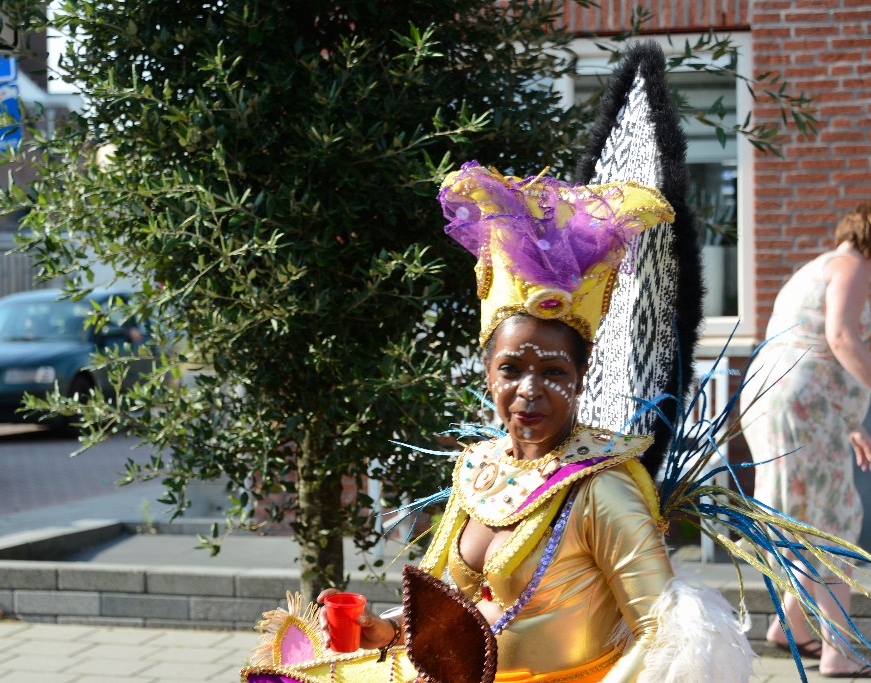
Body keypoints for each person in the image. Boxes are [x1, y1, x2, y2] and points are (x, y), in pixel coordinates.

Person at [240, 161, 753, 683]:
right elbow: (451, 605)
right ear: (488, 372)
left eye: (552, 371)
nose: (528, 391)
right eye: (511, 368)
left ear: (580, 375)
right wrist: (389, 630)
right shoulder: (479, 469)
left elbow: (663, 635)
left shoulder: (603, 489)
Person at [741, 203, 871, 679]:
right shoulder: (851, 265)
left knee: (811, 518)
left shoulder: (815, 268)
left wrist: (848, 422)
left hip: (783, 401)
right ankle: (840, 653)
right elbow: (840, 337)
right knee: (833, 525)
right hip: (802, 405)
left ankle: (788, 627)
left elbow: (809, 347)